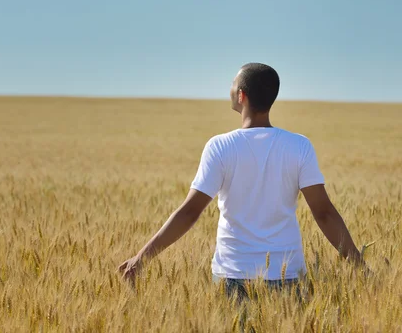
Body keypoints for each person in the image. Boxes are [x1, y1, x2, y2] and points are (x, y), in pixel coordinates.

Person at [118, 63, 366, 301]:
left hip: (232, 275)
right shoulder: (299, 146)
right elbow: (324, 213)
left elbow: (190, 212)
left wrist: (141, 258)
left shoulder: (221, 146)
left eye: (232, 84)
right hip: (287, 275)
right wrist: (360, 266)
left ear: (241, 95)